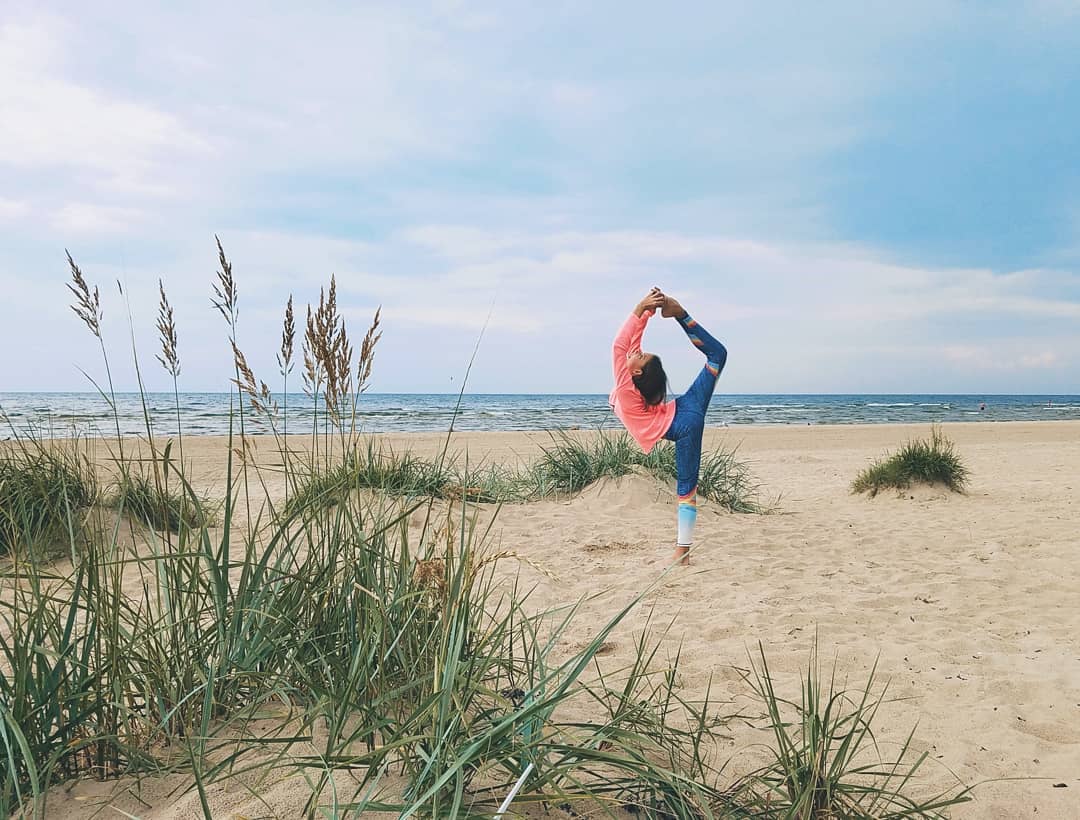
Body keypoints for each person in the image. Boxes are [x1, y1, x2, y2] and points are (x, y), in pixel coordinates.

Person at [610, 287, 728, 565]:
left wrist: (642, 308)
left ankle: (682, 555)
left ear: (636, 372)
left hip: (684, 423)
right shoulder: (632, 382)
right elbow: (630, 346)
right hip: (687, 408)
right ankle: (682, 316)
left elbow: (620, 346)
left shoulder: (627, 387)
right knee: (717, 356)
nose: (634, 352)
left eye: (638, 356)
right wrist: (648, 310)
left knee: (686, 490)